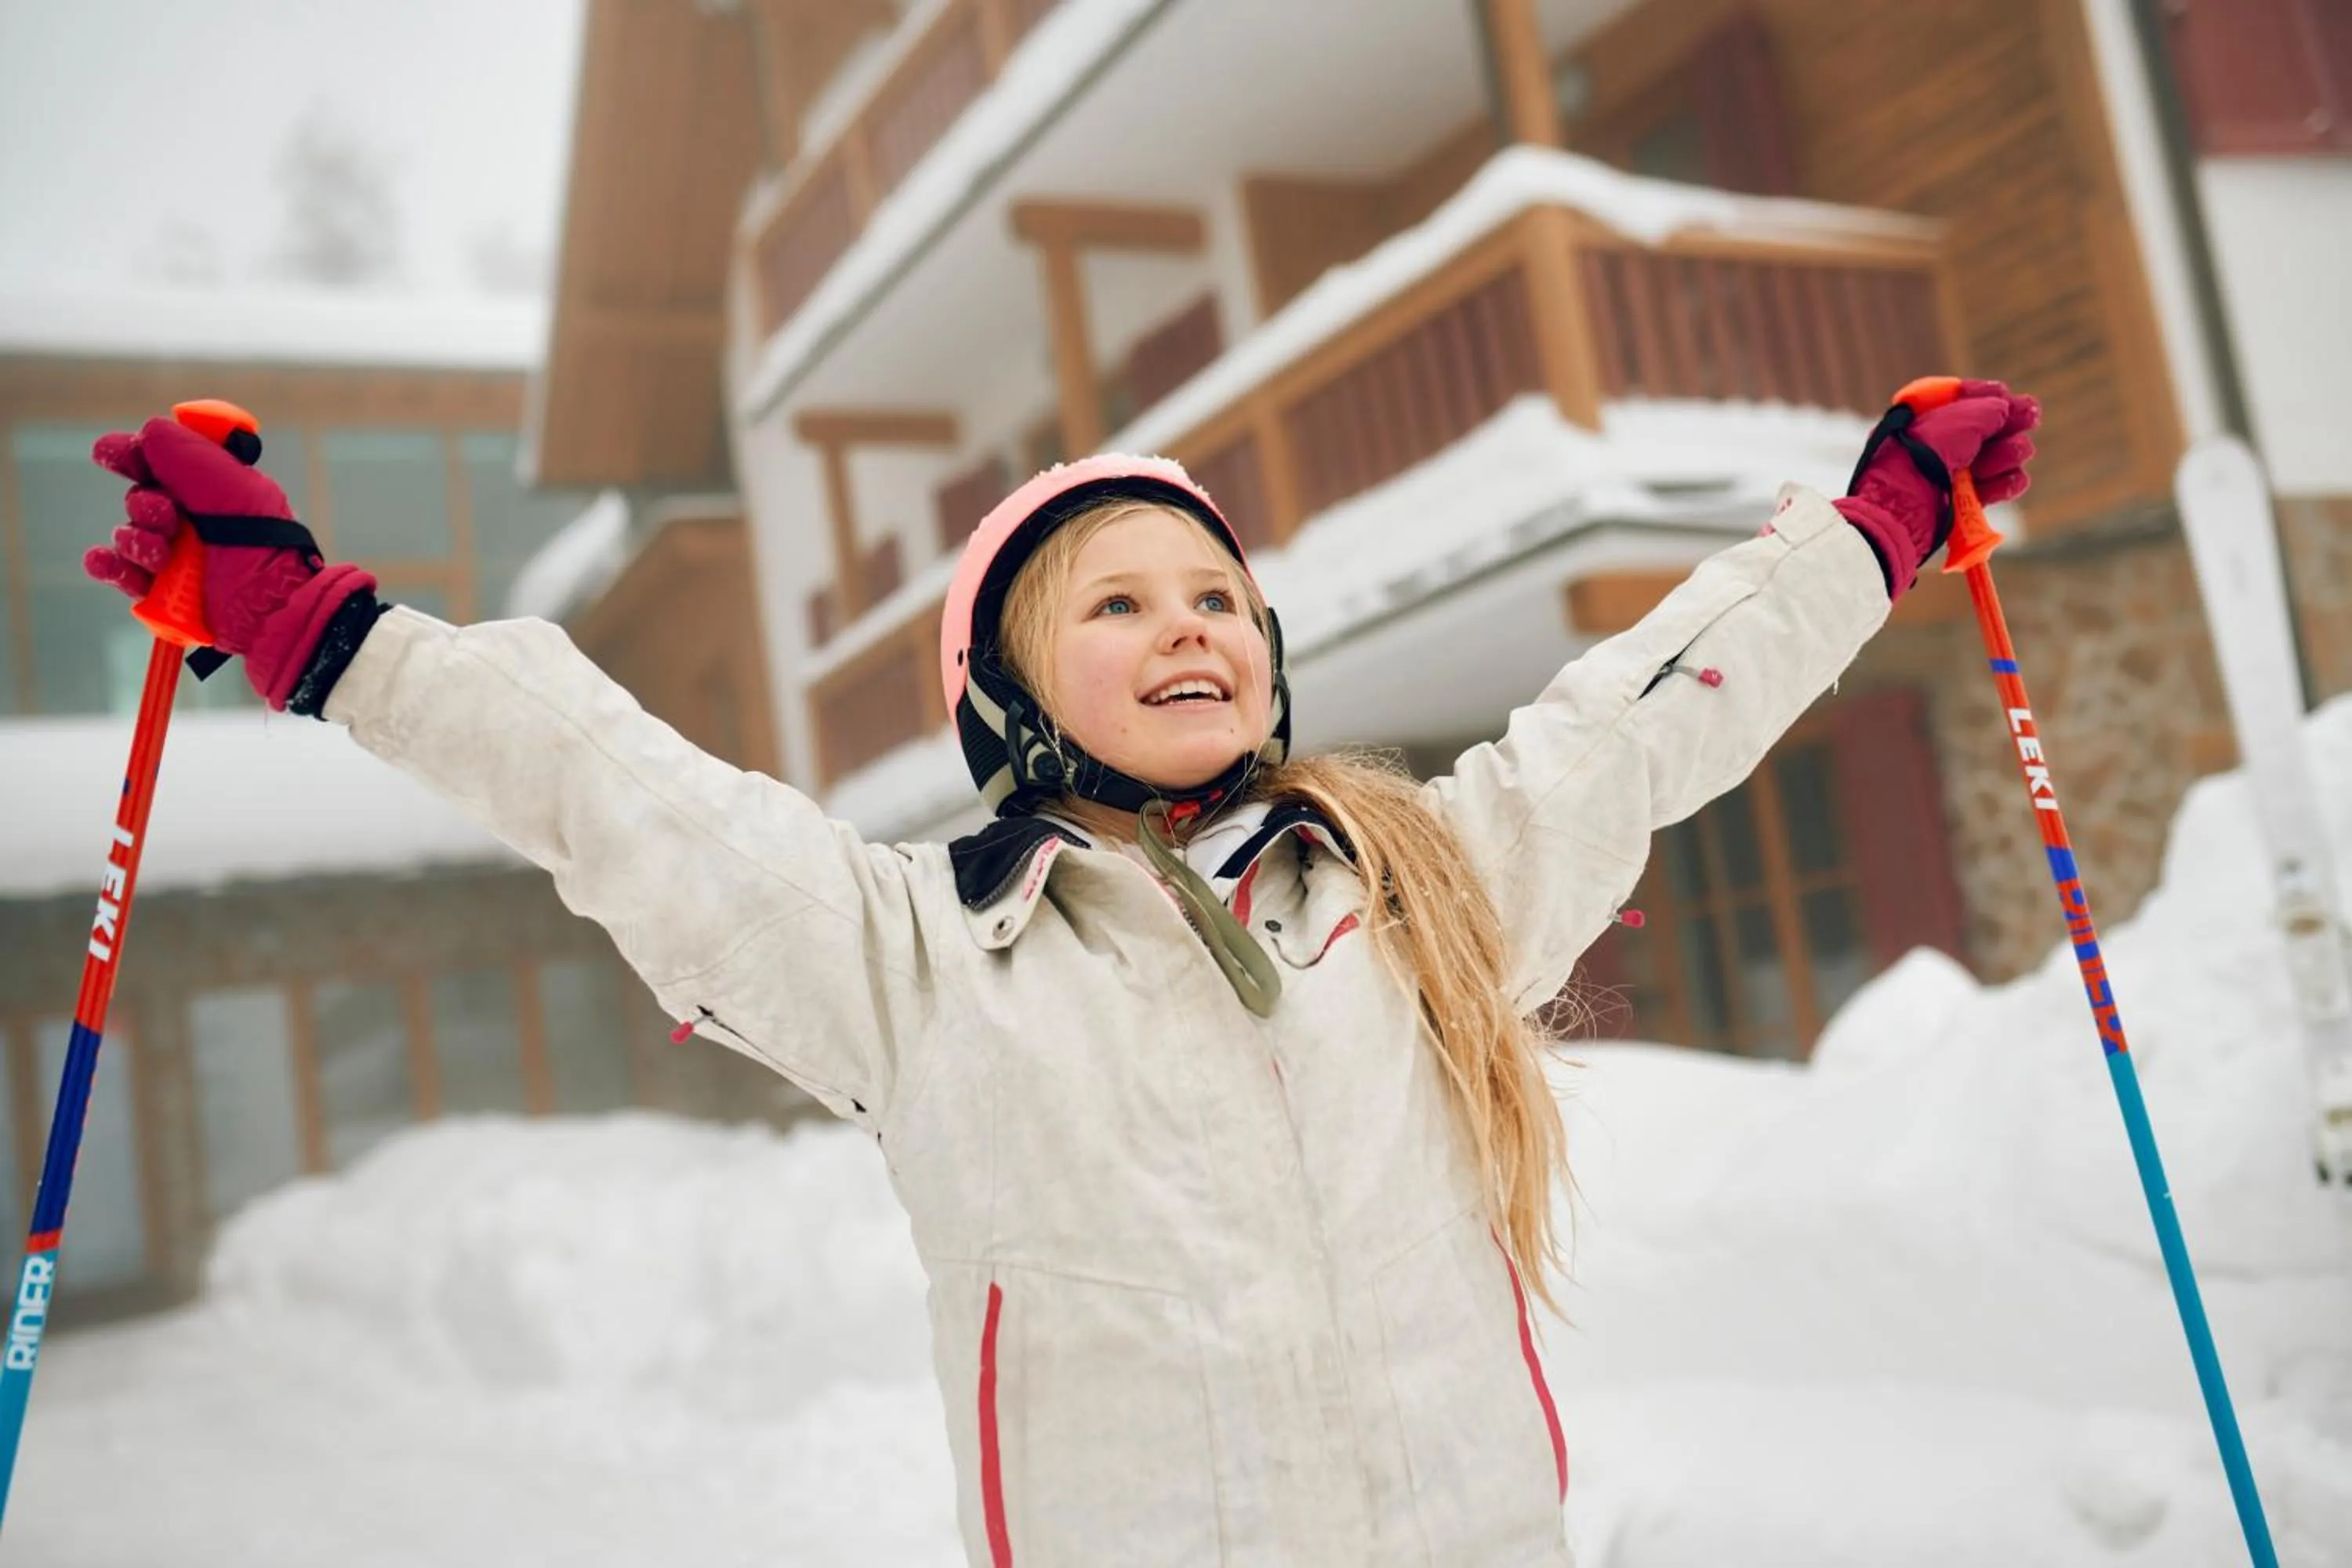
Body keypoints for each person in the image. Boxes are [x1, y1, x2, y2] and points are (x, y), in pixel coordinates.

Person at [84, 379, 2037, 1566]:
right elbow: (627, 800)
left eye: (1217, 602)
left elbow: (1636, 723)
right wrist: (307, 620)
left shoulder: (1422, 899)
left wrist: (1871, 530)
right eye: (1116, 602)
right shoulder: (922, 964)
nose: (1189, 628)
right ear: (1010, 695)